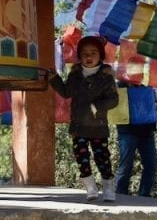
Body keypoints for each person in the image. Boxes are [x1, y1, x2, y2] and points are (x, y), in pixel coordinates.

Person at [49, 35, 119, 201]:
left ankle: (108, 187)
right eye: (85, 53)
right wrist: (54, 78)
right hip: (79, 125)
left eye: (93, 53)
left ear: (100, 56)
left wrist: (96, 106)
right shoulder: (75, 74)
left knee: (102, 157)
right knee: (82, 158)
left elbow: (114, 100)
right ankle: (90, 187)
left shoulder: (106, 76)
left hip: (98, 126)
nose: (89, 56)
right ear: (80, 56)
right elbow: (66, 92)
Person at [115, 84, 157, 197]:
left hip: (147, 131)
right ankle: (120, 196)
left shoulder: (148, 84)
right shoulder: (120, 84)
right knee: (126, 165)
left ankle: (144, 196)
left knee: (151, 165)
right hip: (127, 130)